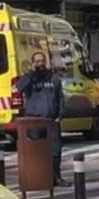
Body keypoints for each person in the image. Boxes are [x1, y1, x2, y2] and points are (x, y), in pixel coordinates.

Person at [17, 51, 70, 187]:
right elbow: (19, 87)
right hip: (34, 120)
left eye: (42, 61)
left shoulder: (52, 77)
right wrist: (31, 75)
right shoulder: (29, 78)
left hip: (51, 120)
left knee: (55, 150)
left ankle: (56, 177)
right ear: (33, 63)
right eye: (37, 61)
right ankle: (38, 177)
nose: (40, 63)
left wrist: (60, 114)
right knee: (36, 151)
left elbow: (59, 96)